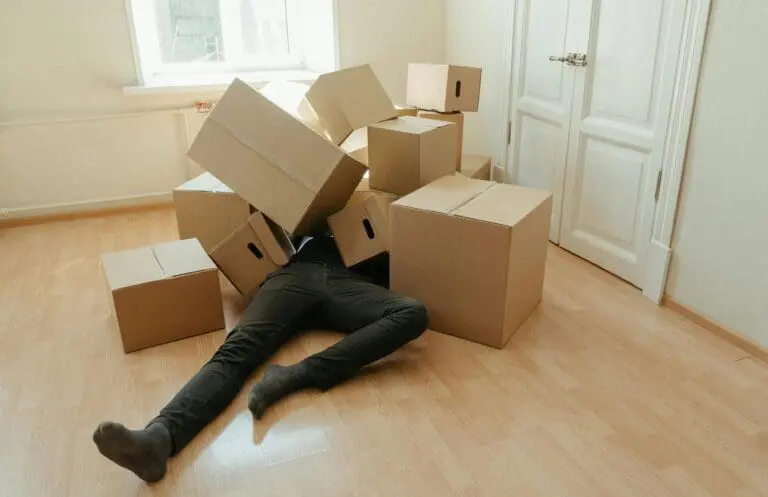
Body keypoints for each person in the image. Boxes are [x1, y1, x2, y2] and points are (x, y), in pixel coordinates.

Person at [92, 235, 428, 483]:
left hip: (351, 285)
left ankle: (296, 375)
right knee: (234, 353)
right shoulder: (318, 198)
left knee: (412, 313)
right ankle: (158, 439)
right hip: (294, 275)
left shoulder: (396, 214)